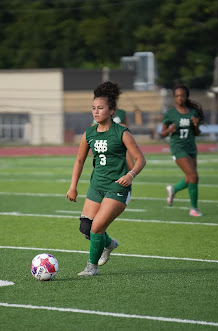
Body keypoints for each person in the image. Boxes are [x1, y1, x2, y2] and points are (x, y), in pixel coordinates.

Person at [66, 81, 146, 276]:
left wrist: (130, 174)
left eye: (100, 108)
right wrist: (73, 186)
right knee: (86, 227)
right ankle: (109, 244)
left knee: (97, 227)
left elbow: (140, 159)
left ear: (111, 111)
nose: (96, 112)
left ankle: (91, 267)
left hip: (117, 187)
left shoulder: (122, 133)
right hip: (97, 186)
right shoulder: (89, 134)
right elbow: (79, 161)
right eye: (93, 108)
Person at [160, 84, 205, 217]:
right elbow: (161, 134)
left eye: (182, 95)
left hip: (191, 147)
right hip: (178, 147)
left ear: (186, 96)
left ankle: (173, 189)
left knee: (190, 178)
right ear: (174, 98)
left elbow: (197, 133)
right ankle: (194, 209)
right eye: (177, 96)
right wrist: (169, 130)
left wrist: (196, 125)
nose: (180, 98)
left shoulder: (193, 112)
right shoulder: (170, 114)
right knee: (194, 177)